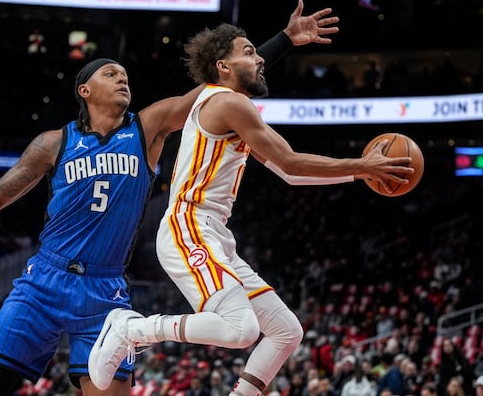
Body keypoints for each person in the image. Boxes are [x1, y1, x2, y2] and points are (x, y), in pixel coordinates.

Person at [0, 0, 341, 396]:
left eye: (126, 75)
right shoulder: (54, 142)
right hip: (44, 279)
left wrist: (284, 40)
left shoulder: (146, 128)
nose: (122, 79)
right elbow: (0, 193)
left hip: (104, 289)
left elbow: (219, 87)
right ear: (85, 89)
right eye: (111, 74)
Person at [88, 22, 415, 395]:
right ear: (222, 67)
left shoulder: (231, 107)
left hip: (214, 233)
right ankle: (132, 329)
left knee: (286, 331)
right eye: (247, 52)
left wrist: (358, 175)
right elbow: (291, 162)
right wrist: (360, 165)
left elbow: (288, 173)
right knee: (240, 329)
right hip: (188, 226)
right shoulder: (227, 101)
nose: (259, 57)